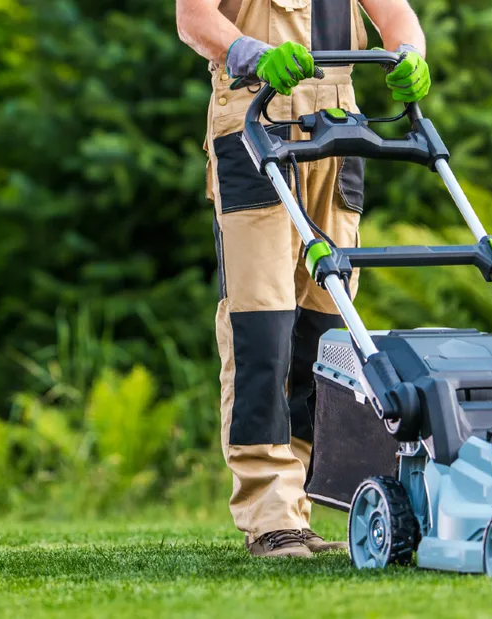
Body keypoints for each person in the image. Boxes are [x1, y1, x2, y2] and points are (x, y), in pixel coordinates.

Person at [176, 0, 431, 558]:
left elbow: (397, 17)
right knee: (261, 325)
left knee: (327, 329)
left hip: (336, 131)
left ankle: (303, 505)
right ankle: (270, 513)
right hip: (253, 120)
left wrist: (410, 53)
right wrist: (252, 54)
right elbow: (192, 18)